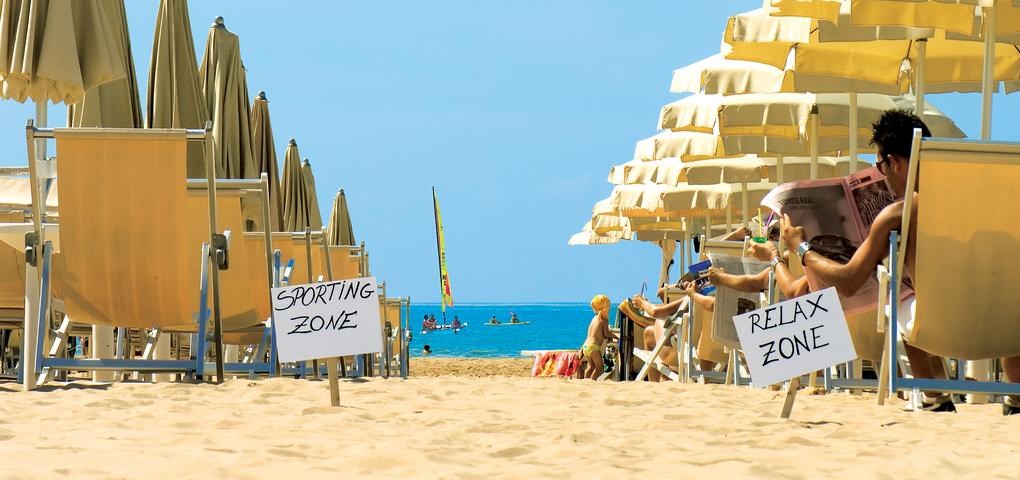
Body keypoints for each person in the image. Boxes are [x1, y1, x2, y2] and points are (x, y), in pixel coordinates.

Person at [783, 109, 1020, 414]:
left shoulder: (899, 213)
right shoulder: (997, 199)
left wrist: (800, 247)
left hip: (940, 330)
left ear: (893, 161)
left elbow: (849, 281)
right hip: (1006, 328)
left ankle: (935, 395)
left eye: (880, 165)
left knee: (902, 295)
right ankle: (1015, 395)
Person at [580, 294, 617, 380]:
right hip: (594, 347)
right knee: (599, 369)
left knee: (591, 367)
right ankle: (592, 384)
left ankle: (585, 382)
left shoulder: (594, 318)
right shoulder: (604, 318)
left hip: (586, 347)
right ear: (606, 307)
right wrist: (616, 337)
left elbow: (590, 334)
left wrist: (581, 348)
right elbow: (607, 334)